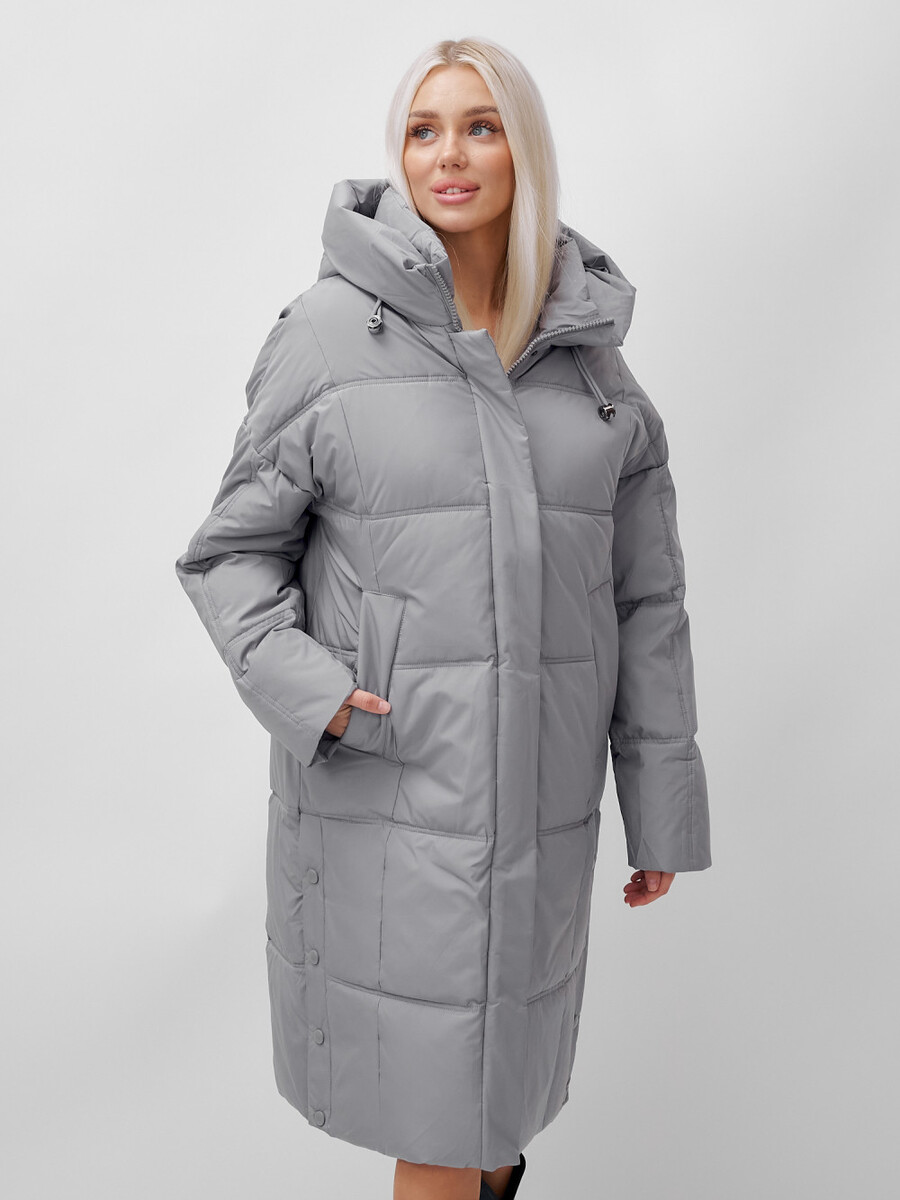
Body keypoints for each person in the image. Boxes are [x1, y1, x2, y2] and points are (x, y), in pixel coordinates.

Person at [174, 35, 711, 1200]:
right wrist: (322, 700)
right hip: (392, 794)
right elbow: (229, 555)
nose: (448, 154)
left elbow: (644, 601)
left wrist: (661, 806)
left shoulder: (592, 371)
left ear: (524, 152)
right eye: (424, 130)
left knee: (497, 1115)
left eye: (480, 127)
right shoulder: (327, 339)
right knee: (447, 1121)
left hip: (539, 809)